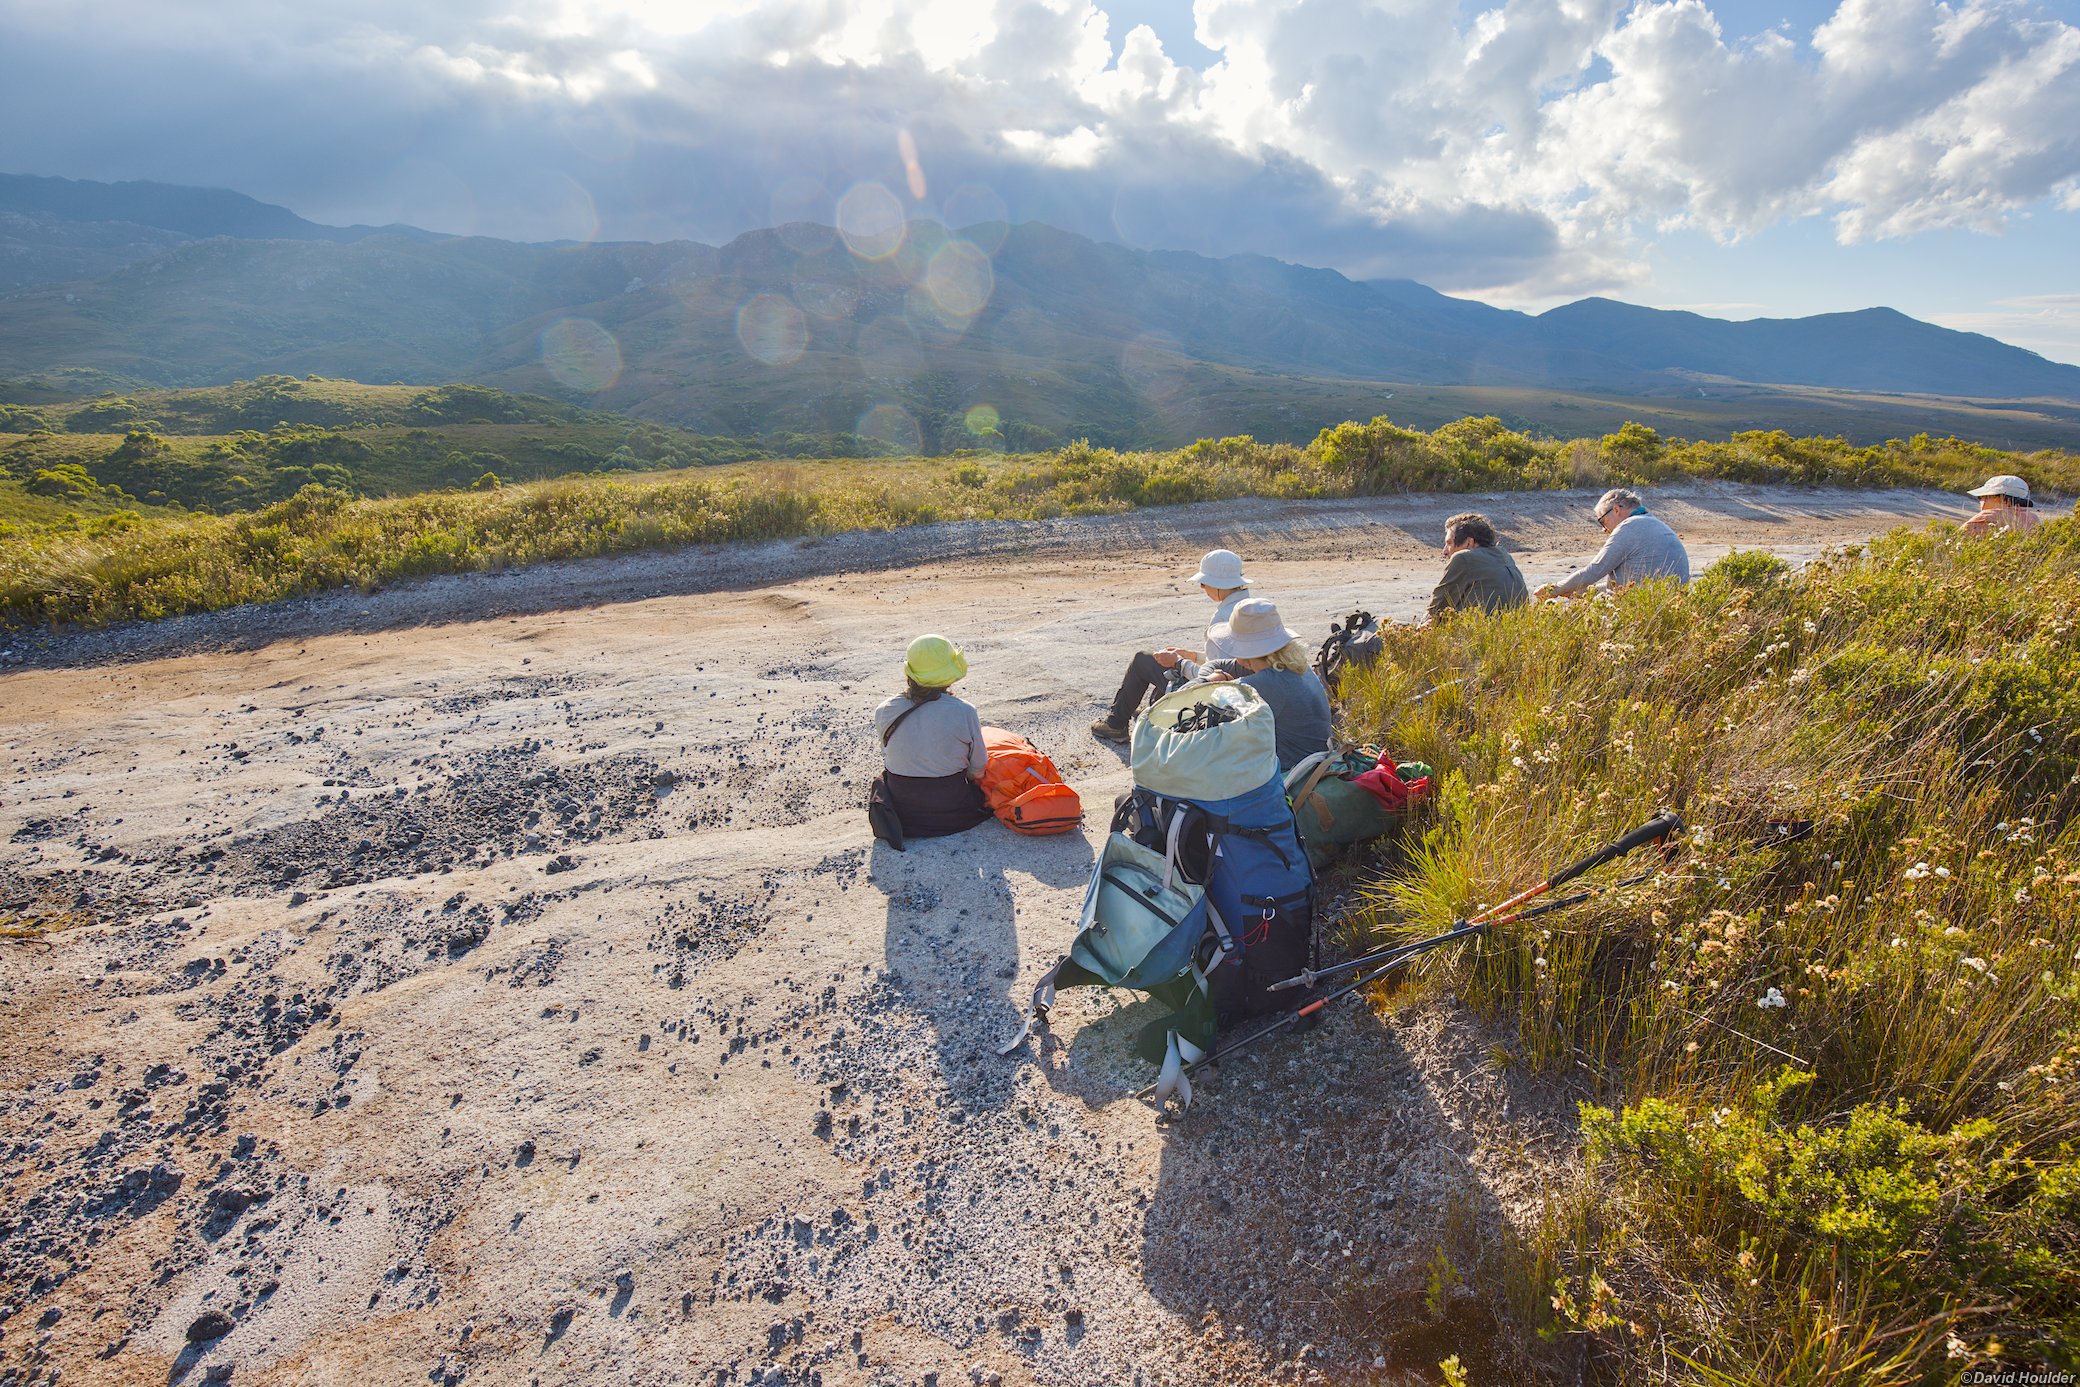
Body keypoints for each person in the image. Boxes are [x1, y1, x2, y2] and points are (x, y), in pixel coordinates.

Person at [1091, 548, 1257, 743]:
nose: (1202, 587)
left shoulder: (1223, 618)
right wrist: (1192, 656)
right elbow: (1230, 662)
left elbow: (1212, 679)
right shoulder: (1251, 606)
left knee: (1142, 660)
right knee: (1164, 666)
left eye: (1204, 583)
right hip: (1246, 694)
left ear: (1217, 584)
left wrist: (1178, 662)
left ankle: (1116, 725)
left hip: (1217, 698)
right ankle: (1154, 709)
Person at [869, 635, 991, 845]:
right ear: (949, 675)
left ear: (910, 673)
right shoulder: (964, 711)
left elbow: (888, 755)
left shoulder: (884, 710)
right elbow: (978, 770)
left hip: (903, 817)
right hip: (954, 815)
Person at [1201, 599, 1333, 773]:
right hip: (1316, 760)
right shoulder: (1292, 665)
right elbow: (1221, 664)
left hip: (1293, 771)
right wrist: (1215, 676)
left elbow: (1203, 695)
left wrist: (1207, 680)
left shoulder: (1269, 682)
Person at [1534, 488, 1690, 599]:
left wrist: (1553, 589)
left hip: (1639, 607)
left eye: (1602, 521)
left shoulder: (1629, 527)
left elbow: (1593, 571)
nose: (1604, 530)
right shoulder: (1656, 524)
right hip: (1668, 602)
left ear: (1616, 510)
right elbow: (1627, 584)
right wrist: (1577, 591)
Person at [1426, 511, 1529, 621]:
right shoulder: (1505, 556)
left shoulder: (1463, 558)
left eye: (1449, 543)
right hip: (1517, 627)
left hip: (1484, 629)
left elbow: (1436, 608)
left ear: (1469, 543)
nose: (1445, 551)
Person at [1961, 474, 2040, 536]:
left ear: (1996, 497)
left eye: (1980, 497)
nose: (1980, 501)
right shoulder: (2033, 518)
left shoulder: (1985, 517)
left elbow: (1959, 538)